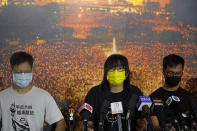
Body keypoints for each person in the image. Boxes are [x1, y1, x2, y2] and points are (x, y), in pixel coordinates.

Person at [0, 51, 66, 131]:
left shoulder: (44, 96)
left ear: (31, 70)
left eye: (26, 72)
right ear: (12, 71)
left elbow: (61, 122)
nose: (23, 75)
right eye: (19, 72)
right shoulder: (2, 97)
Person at [81, 54, 145, 131]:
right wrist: (87, 126)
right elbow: (88, 121)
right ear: (106, 73)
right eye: (112, 69)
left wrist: (144, 123)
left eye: (120, 68)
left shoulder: (135, 93)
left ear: (127, 73)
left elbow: (140, 123)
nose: (115, 72)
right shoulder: (94, 93)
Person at [150, 54, 197, 130]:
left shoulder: (190, 98)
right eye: (170, 73)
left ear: (182, 73)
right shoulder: (154, 97)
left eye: (177, 73)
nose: (174, 76)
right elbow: (154, 126)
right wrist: (163, 129)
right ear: (163, 72)